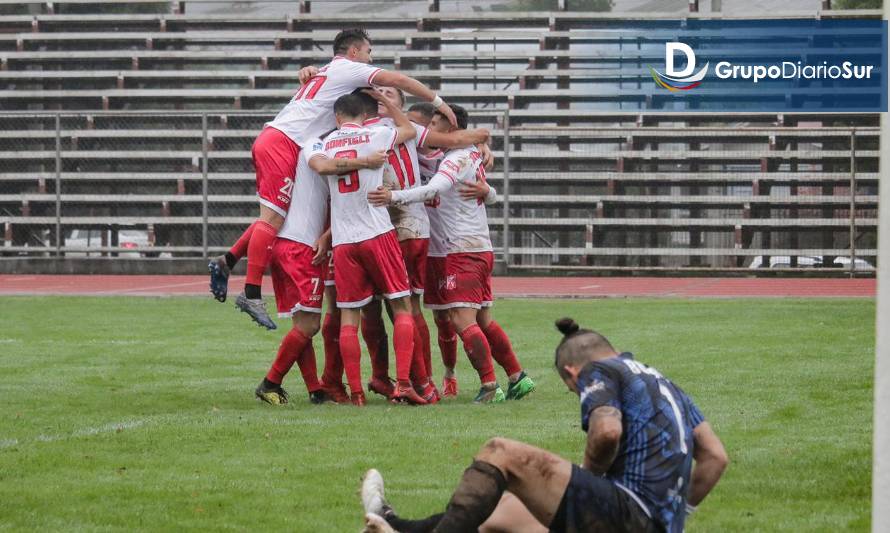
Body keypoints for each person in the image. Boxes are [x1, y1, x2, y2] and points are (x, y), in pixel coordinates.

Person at [360, 318, 729, 533]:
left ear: (572, 373)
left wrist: (587, 478)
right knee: (501, 512)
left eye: (573, 390)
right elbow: (715, 457)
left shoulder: (598, 371)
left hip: (627, 514)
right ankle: (394, 523)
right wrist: (677, 516)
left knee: (499, 452)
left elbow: (607, 431)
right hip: (649, 522)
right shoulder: (665, 384)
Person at [208, 28, 458, 330]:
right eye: (368, 52)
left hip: (284, 141)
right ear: (354, 52)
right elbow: (399, 80)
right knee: (272, 218)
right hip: (284, 142)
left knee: (276, 212)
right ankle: (251, 293)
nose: (370, 60)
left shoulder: (328, 74)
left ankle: (229, 260)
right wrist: (440, 102)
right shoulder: (352, 72)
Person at [369, 104, 534, 404]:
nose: (430, 129)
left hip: (460, 249)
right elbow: (481, 189)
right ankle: (517, 376)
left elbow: (435, 190)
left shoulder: (455, 159)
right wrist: (489, 191)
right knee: (482, 319)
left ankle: (489, 385)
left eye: (435, 123)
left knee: (461, 319)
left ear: (453, 128)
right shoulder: (457, 155)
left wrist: (394, 196)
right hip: (474, 246)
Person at [357, 86, 493, 403]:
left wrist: (481, 145)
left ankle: (428, 381)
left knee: (420, 311)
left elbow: (458, 152)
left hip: (413, 229)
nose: (382, 96)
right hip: (376, 227)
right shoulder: (377, 132)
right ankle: (389, 378)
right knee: (371, 308)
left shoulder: (410, 133)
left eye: (390, 93)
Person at [308, 90, 425, 406]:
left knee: (349, 317)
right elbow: (410, 130)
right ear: (367, 114)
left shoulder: (325, 142)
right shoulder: (376, 134)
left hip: (344, 240)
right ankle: (402, 385)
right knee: (401, 306)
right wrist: (389, 104)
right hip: (377, 231)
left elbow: (321, 166)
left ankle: (357, 392)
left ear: (337, 117)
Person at [253, 139, 387, 405]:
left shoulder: (297, 150)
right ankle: (270, 382)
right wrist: (367, 162)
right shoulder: (314, 144)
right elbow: (322, 165)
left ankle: (316, 390)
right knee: (309, 325)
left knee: (302, 323)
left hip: (285, 243)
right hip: (301, 247)